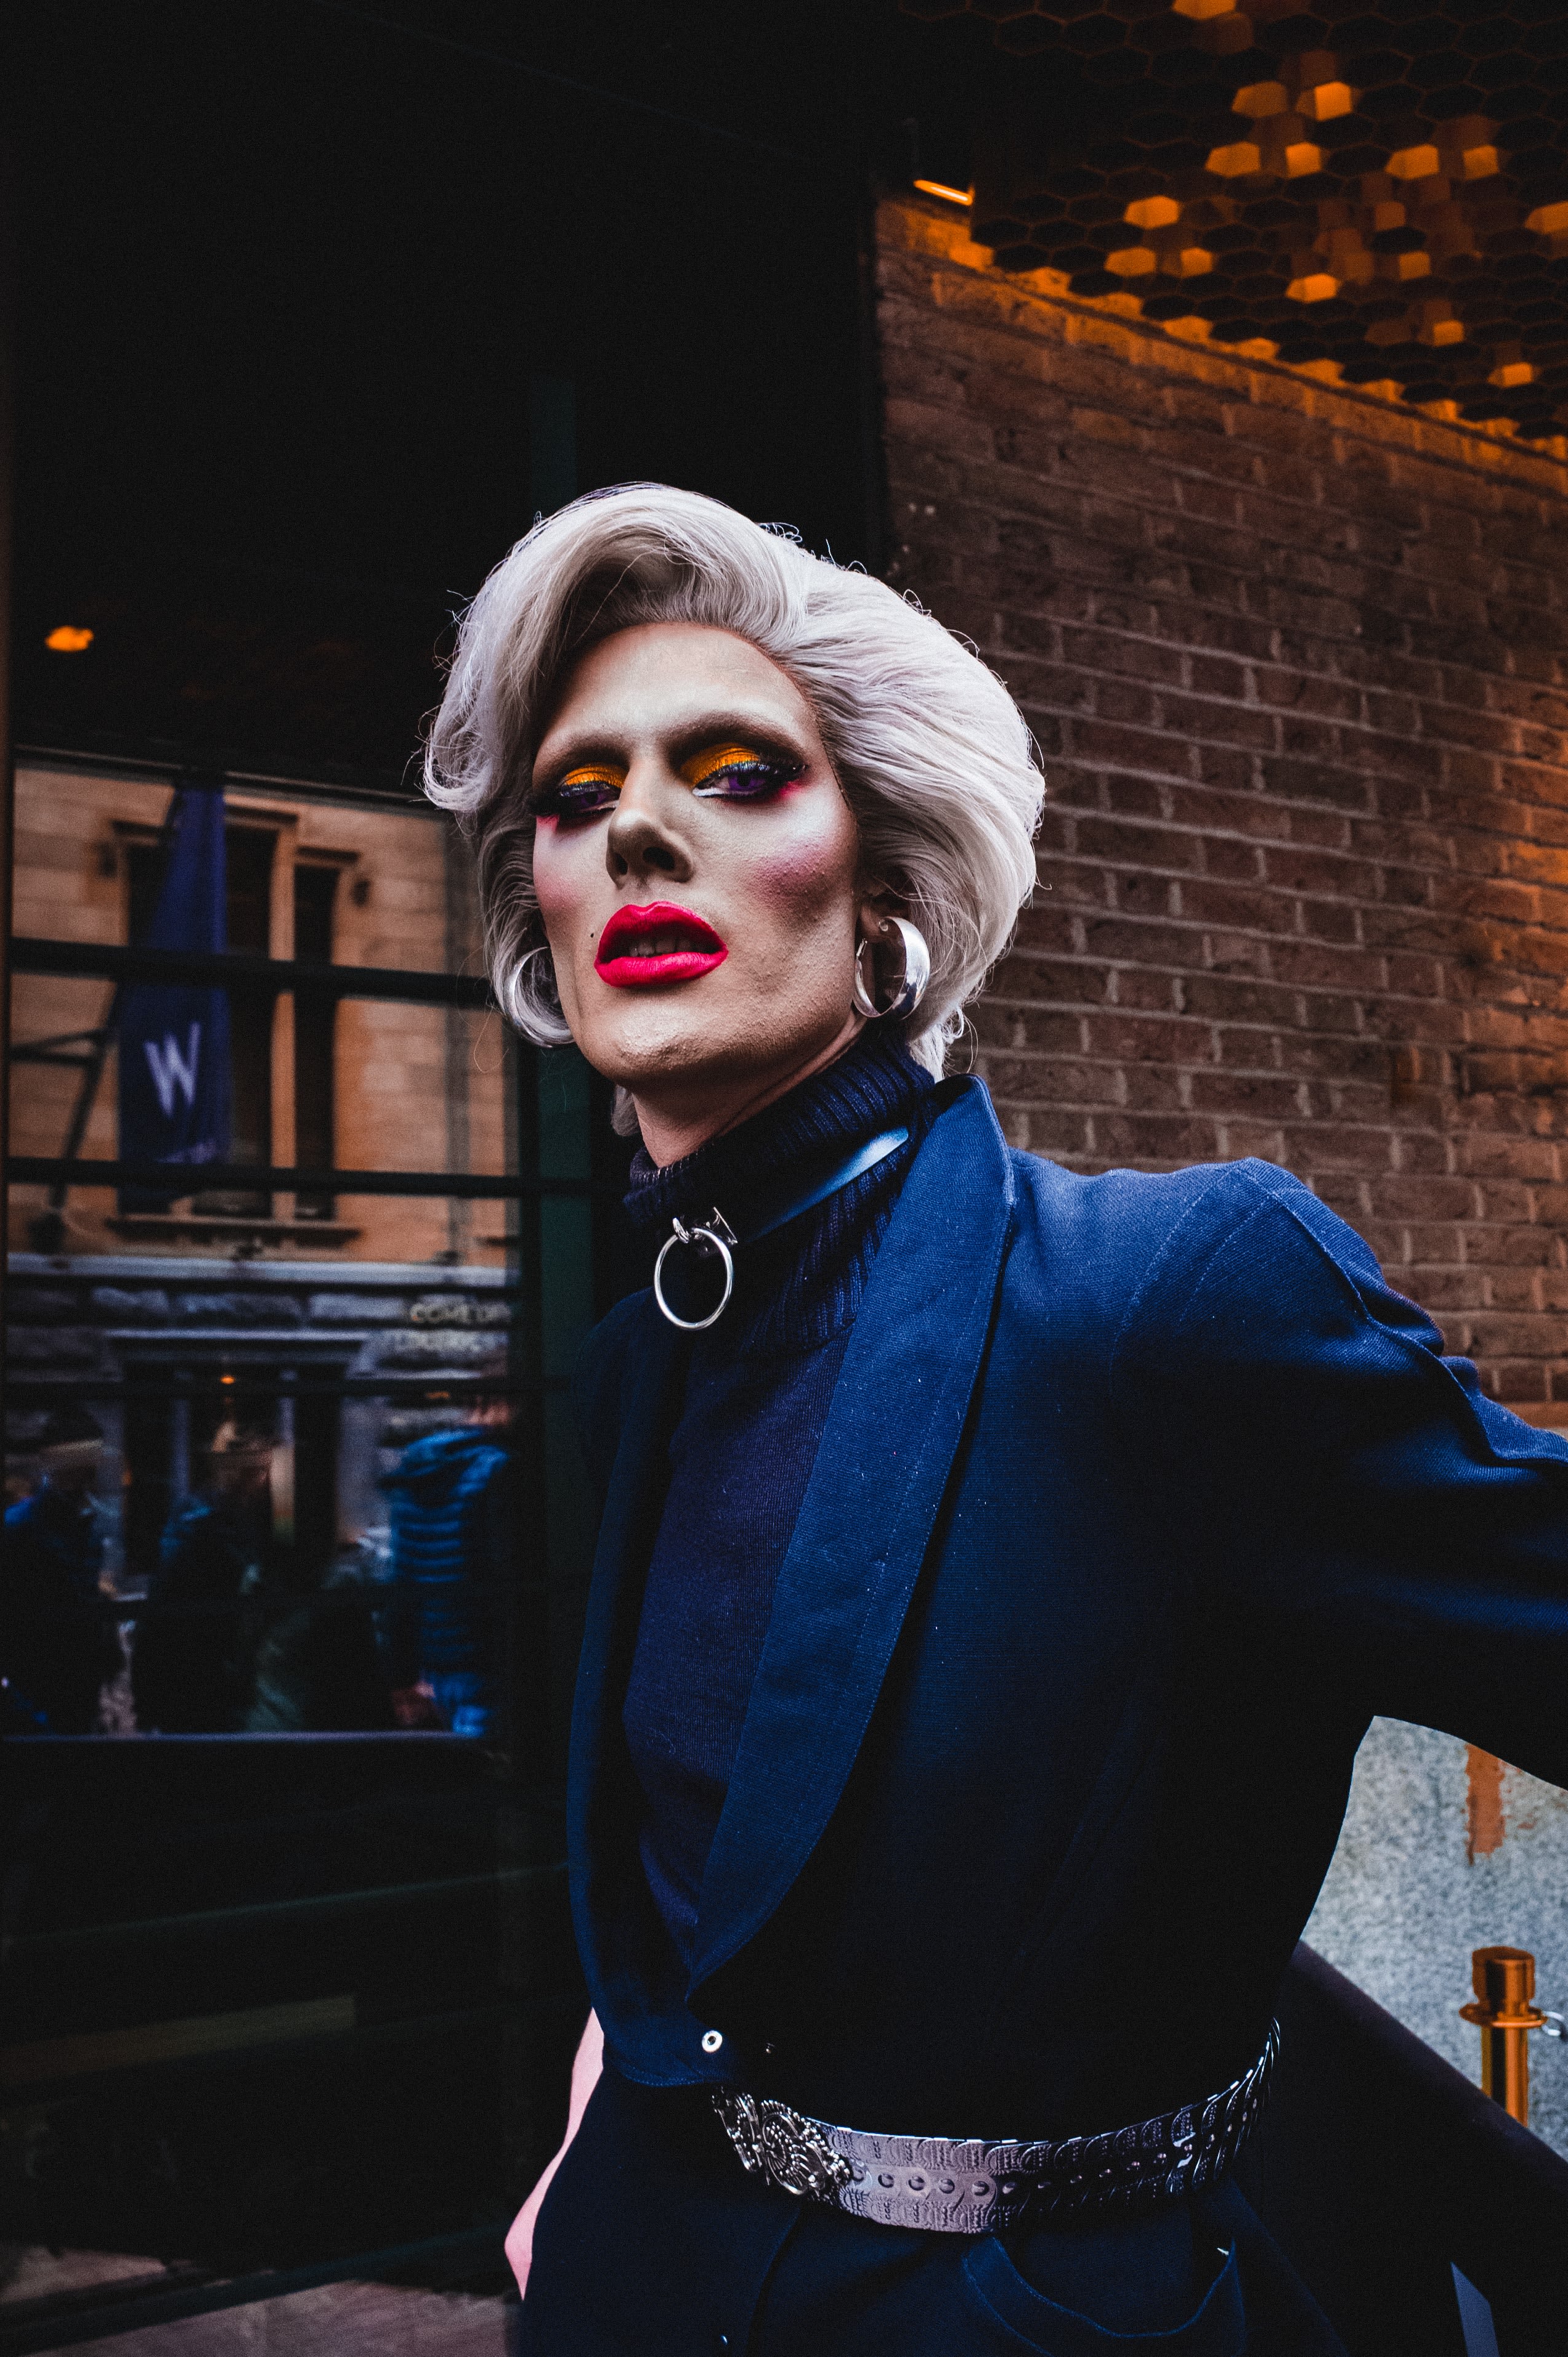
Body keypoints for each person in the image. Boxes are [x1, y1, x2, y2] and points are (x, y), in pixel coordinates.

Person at [423, 485, 1568, 2354]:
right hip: (642, 2278)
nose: (636, 825)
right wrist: (583, 2148)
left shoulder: (1167, 1301)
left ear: (883, 884)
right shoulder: (639, 1353)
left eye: (733, 771)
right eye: (579, 794)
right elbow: (684, 1863)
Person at [131, 1419, 274, 1732]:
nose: (267, 1479)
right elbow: (165, 1606)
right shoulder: (205, 1522)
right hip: (201, 1672)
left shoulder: (245, 1519)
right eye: (262, 1470)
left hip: (208, 1673)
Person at [382, 1402, 512, 1739]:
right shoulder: (499, 1470)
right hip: (489, 1665)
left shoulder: (417, 1470)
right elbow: (502, 1573)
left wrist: (401, 1673)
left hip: (434, 1671)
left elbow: (401, 1580)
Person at [0, 1406, 123, 1734]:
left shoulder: (89, 1521)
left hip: (75, 1687)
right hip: (39, 1690)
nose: (91, 1470)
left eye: (92, 1460)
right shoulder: (19, 1528)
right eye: (83, 1461)